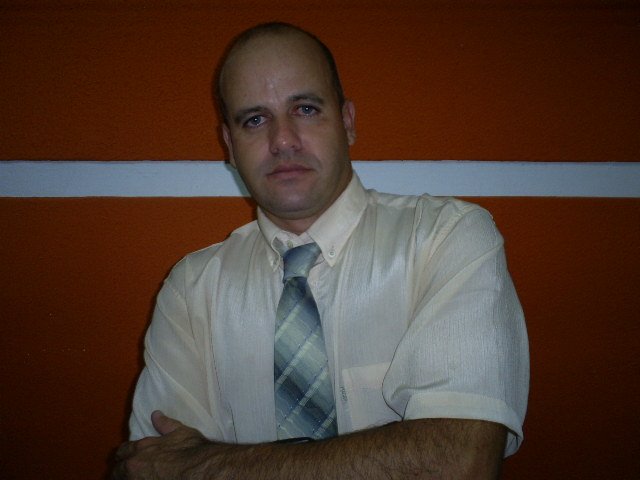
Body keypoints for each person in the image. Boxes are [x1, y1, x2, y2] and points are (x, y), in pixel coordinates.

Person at [112, 22, 529, 479]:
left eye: (306, 109)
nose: (282, 140)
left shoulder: (445, 238)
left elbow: (460, 461)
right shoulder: (191, 290)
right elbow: (150, 469)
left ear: (348, 122)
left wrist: (206, 466)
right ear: (229, 146)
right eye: (255, 120)